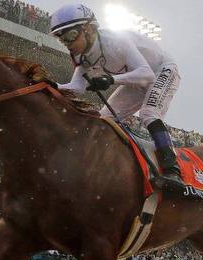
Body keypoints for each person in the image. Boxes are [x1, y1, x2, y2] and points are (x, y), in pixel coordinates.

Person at [50, 3, 184, 190]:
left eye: (71, 36)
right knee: (104, 119)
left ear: (88, 29)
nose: (68, 44)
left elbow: (146, 74)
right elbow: (77, 88)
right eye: (62, 39)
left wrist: (110, 79)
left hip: (161, 69)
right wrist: (51, 86)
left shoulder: (115, 40)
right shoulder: (81, 56)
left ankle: (173, 170)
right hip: (136, 78)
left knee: (149, 113)